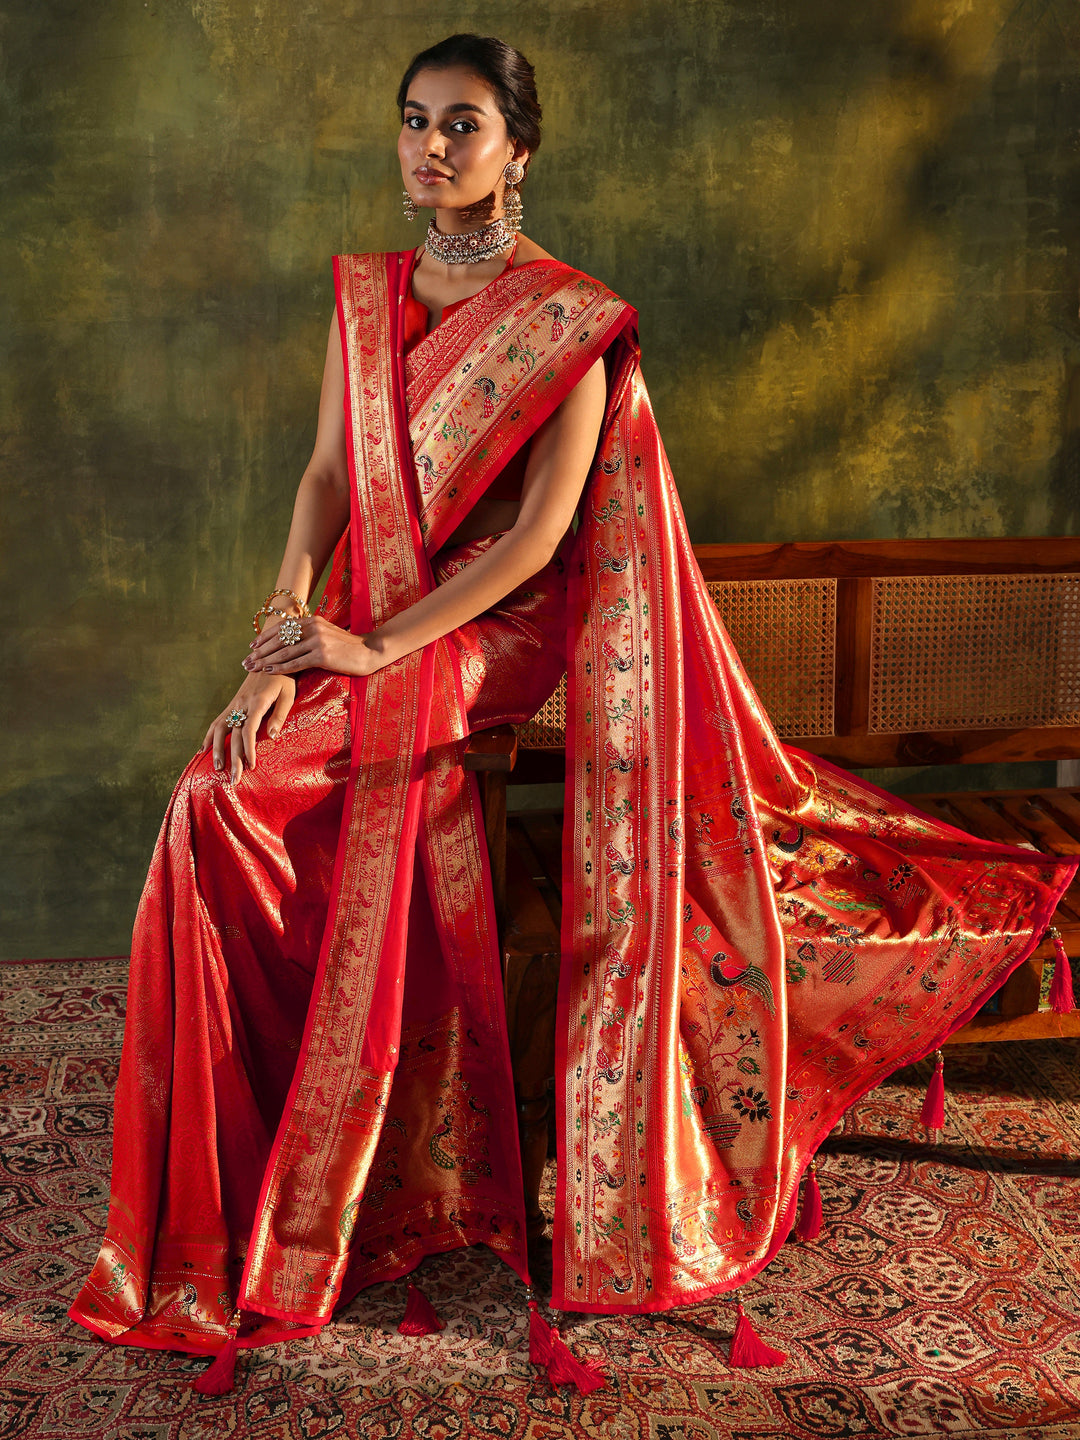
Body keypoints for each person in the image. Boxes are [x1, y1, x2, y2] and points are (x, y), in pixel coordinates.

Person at [70, 33, 1075, 1378]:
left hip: (494, 629)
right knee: (214, 801)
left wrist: (363, 652)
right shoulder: (366, 295)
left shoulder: (571, 320)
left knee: (235, 796)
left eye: (464, 125)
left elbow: (540, 544)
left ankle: (309, 1177)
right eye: (415, 122)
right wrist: (284, 632)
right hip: (370, 609)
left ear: (520, 150)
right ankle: (260, 1177)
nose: (433, 148)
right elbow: (322, 478)